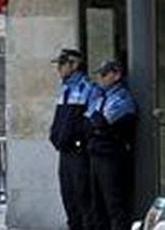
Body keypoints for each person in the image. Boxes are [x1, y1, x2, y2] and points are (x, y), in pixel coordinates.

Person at [86, 59, 138, 230]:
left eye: (104, 74)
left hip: (112, 156)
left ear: (116, 75)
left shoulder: (122, 98)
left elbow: (101, 122)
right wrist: (95, 124)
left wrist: (96, 124)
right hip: (97, 153)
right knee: (97, 205)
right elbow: (87, 123)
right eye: (99, 74)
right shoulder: (102, 96)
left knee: (114, 204)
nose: (100, 78)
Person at [49, 48, 96, 230]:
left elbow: (90, 122)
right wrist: (55, 137)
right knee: (68, 198)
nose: (58, 68)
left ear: (74, 64)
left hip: (79, 153)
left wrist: (77, 140)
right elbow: (59, 120)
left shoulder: (89, 88)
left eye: (62, 64)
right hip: (65, 152)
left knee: (83, 198)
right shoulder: (65, 88)